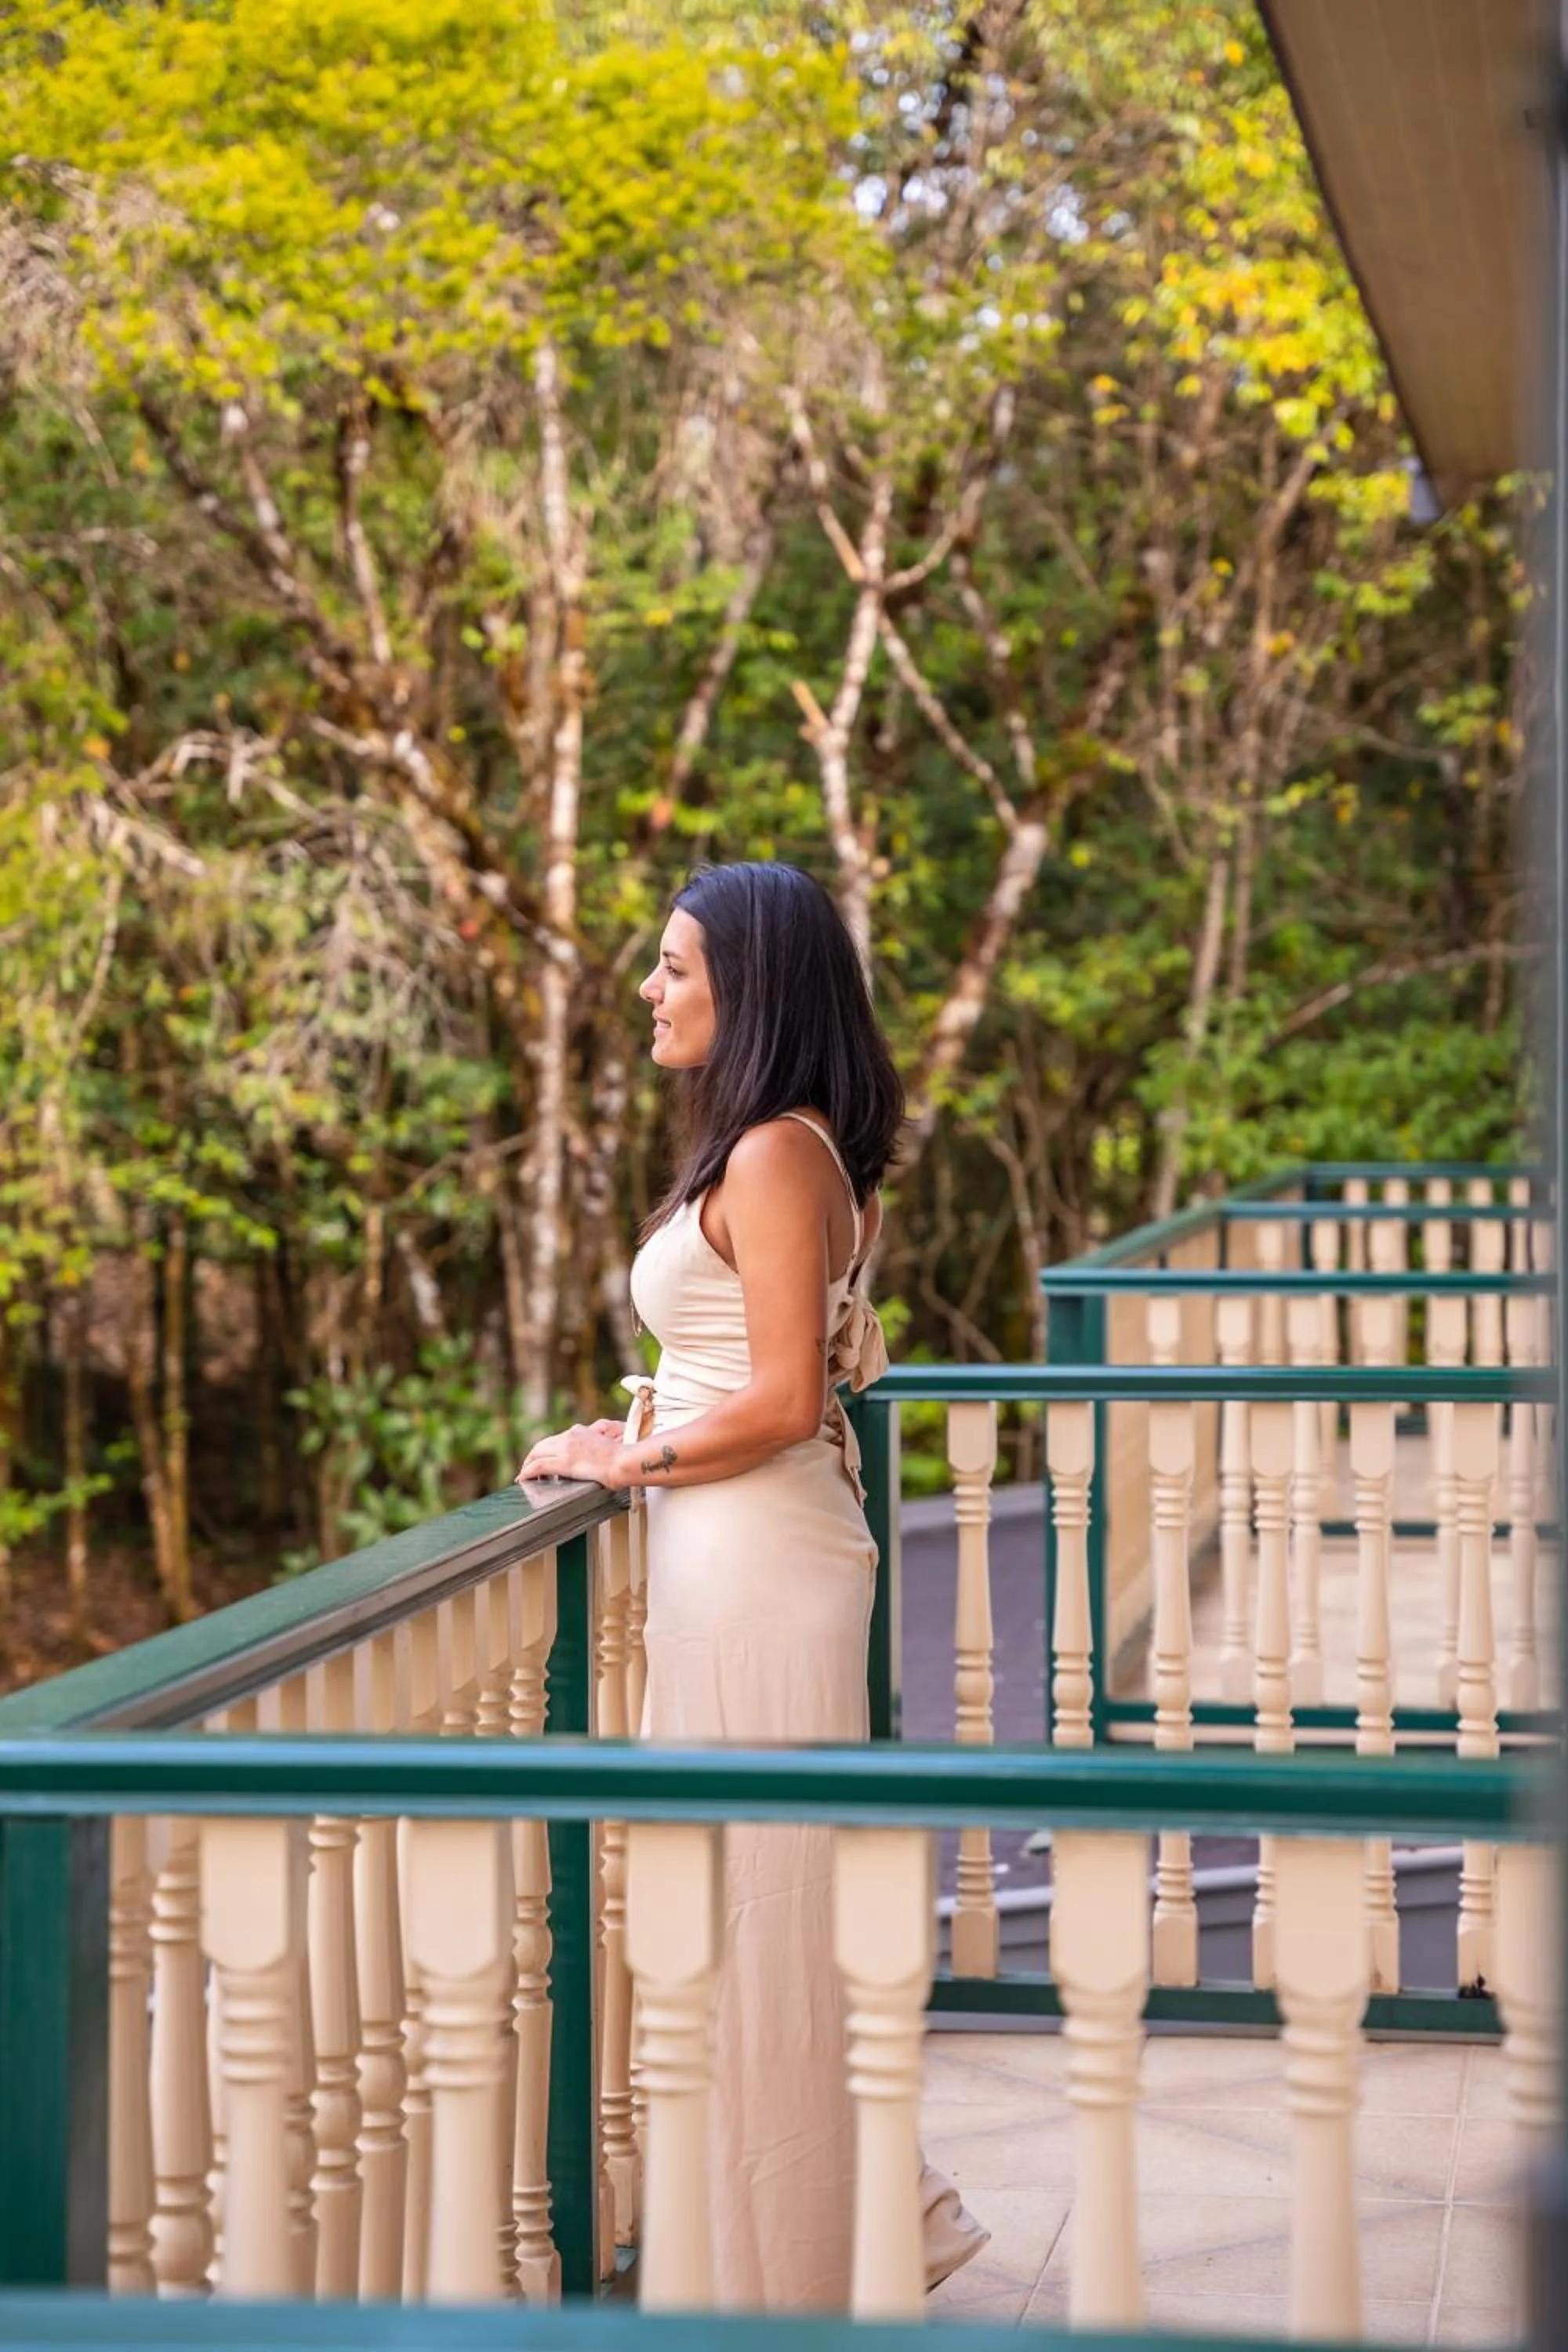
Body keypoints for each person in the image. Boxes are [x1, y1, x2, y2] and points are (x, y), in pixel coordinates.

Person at [517, 860, 989, 2313]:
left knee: (763, 1914)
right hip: (735, 1554)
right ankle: (788, 2242)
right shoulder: (769, 1150)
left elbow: (785, 1397)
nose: (649, 990)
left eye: (674, 967)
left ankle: (789, 2272)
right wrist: (638, 1434)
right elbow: (747, 1374)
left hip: (764, 1564)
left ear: (753, 988)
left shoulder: (780, 1153)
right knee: (731, 1911)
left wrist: (628, 1472)